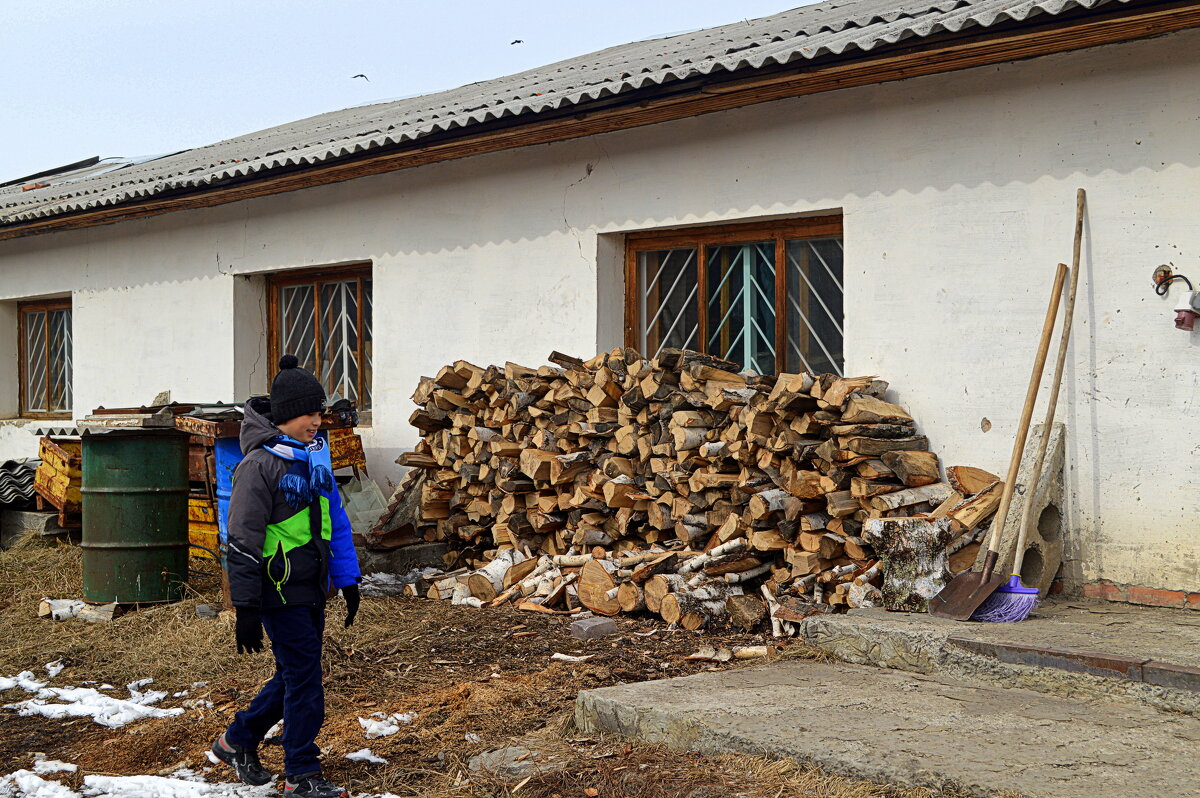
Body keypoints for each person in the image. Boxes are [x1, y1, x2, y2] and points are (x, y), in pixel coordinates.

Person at [211, 355, 362, 798]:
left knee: (294, 674)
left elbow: (334, 521)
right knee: (304, 679)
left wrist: (348, 579)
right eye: (307, 414)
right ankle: (300, 771)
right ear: (283, 416)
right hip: (276, 590)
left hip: (310, 587)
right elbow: (240, 540)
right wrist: (246, 607)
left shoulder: (314, 458)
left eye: (319, 412)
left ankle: (236, 742)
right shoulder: (257, 467)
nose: (316, 421)